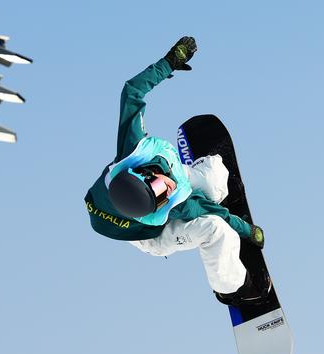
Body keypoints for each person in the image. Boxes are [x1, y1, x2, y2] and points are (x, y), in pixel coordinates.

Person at [84, 37, 271, 305]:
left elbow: (132, 91)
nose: (167, 191)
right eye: (162, 197)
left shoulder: (132, 148)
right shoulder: (169, 205)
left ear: (143, 172)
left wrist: (168, 62)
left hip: (134, 198)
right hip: (155, 236)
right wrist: (246, 232)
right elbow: (207, 211)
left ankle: (215, 192)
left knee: (215, 172)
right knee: (217, 229)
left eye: (160, 189)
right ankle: (231, 289)